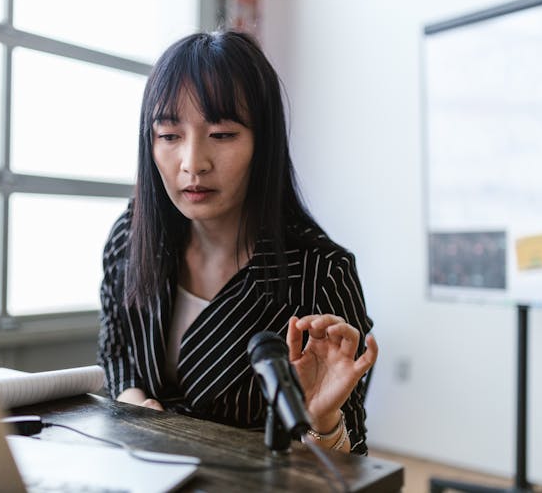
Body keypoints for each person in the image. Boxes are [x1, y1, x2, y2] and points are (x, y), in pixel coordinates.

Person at [97, 30, 378, 454]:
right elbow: (116, 352)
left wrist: (321, 421)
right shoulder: (130, 238)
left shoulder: (321, 272)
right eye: (170, 136)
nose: (193, 163)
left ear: (262, 144)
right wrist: (134, 404)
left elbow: (350, 456)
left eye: (223, 134)